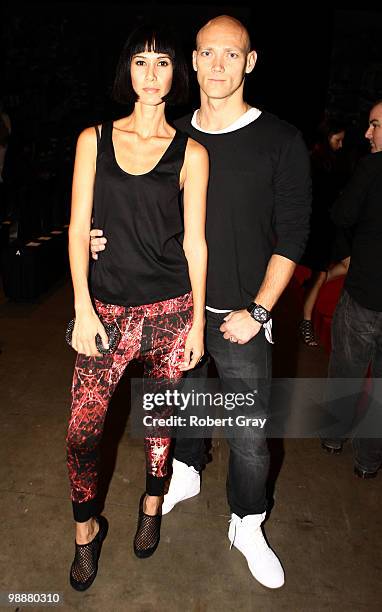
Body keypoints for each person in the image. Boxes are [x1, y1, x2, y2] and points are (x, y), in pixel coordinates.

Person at [91, 15, 311, 589]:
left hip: (239, 315)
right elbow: (133, 205)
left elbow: (293, 235)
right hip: (173, 311)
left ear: (251, 61)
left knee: (249, 438)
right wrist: (97, 235)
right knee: (179, 414)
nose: (217, 65)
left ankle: (247, 523)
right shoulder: (174, 135)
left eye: (230, 54)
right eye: (207, 53)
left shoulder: (281, 141)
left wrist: (259, 310)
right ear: (191, 60)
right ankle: (187, 471)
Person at [66, 24, 208, 591]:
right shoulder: (92, 140)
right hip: (106, 312)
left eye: (163, 62)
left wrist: (197, 319)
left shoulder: (191, 154)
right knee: (81, 433)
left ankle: (152, 504)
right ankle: (86, 531)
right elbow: (79, 228)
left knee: (160, 423)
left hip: (171, 310)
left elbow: (194, 242)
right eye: (141, 62)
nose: (151, 74)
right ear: (128, 71)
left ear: (177, 74)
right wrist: (82, 305)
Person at [320, 100, 382, 477]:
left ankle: (333, 437)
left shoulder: (373, 167)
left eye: (375, 125)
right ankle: (369, 462)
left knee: (346, 370)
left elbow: (341, 215)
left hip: (364, 293)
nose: (367, 133)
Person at [299, 118, 349, 346]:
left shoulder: (326, 160)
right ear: (327, 136)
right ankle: (306, 322)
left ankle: (305, 319)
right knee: (318, 272)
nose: (340, 145)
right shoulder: (314, 161)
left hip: (323, 226)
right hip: (316, 225)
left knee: (320, 272)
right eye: (338, 140)